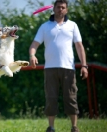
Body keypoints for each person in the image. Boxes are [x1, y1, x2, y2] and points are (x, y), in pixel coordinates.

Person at [29, 0, 88, 132]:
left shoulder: (73, 25)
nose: (60, 9)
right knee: (51, 98)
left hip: (69, 68)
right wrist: (32, 55)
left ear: (66, 10)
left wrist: (84, 65)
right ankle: (51, 127)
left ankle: (74, 127)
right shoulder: (45, 27)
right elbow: (34, 44)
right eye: (58, 7)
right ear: (53, 9)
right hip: (50, 69)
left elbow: (79, 46)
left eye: (63, 7)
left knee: (71, 97)